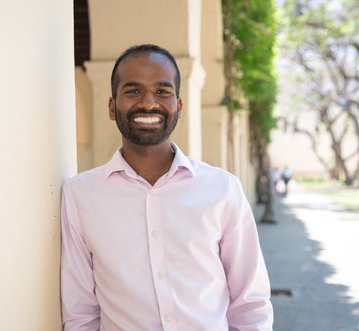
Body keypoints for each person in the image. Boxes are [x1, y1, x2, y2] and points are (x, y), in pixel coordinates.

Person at [61, 44, 273, 330]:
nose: (148, 103)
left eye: (162, 91)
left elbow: (250, 302)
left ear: (179, 106)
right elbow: (80, 311)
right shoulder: (80, 195)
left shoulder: (223, 189)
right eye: (133, 91)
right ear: (112, 107)